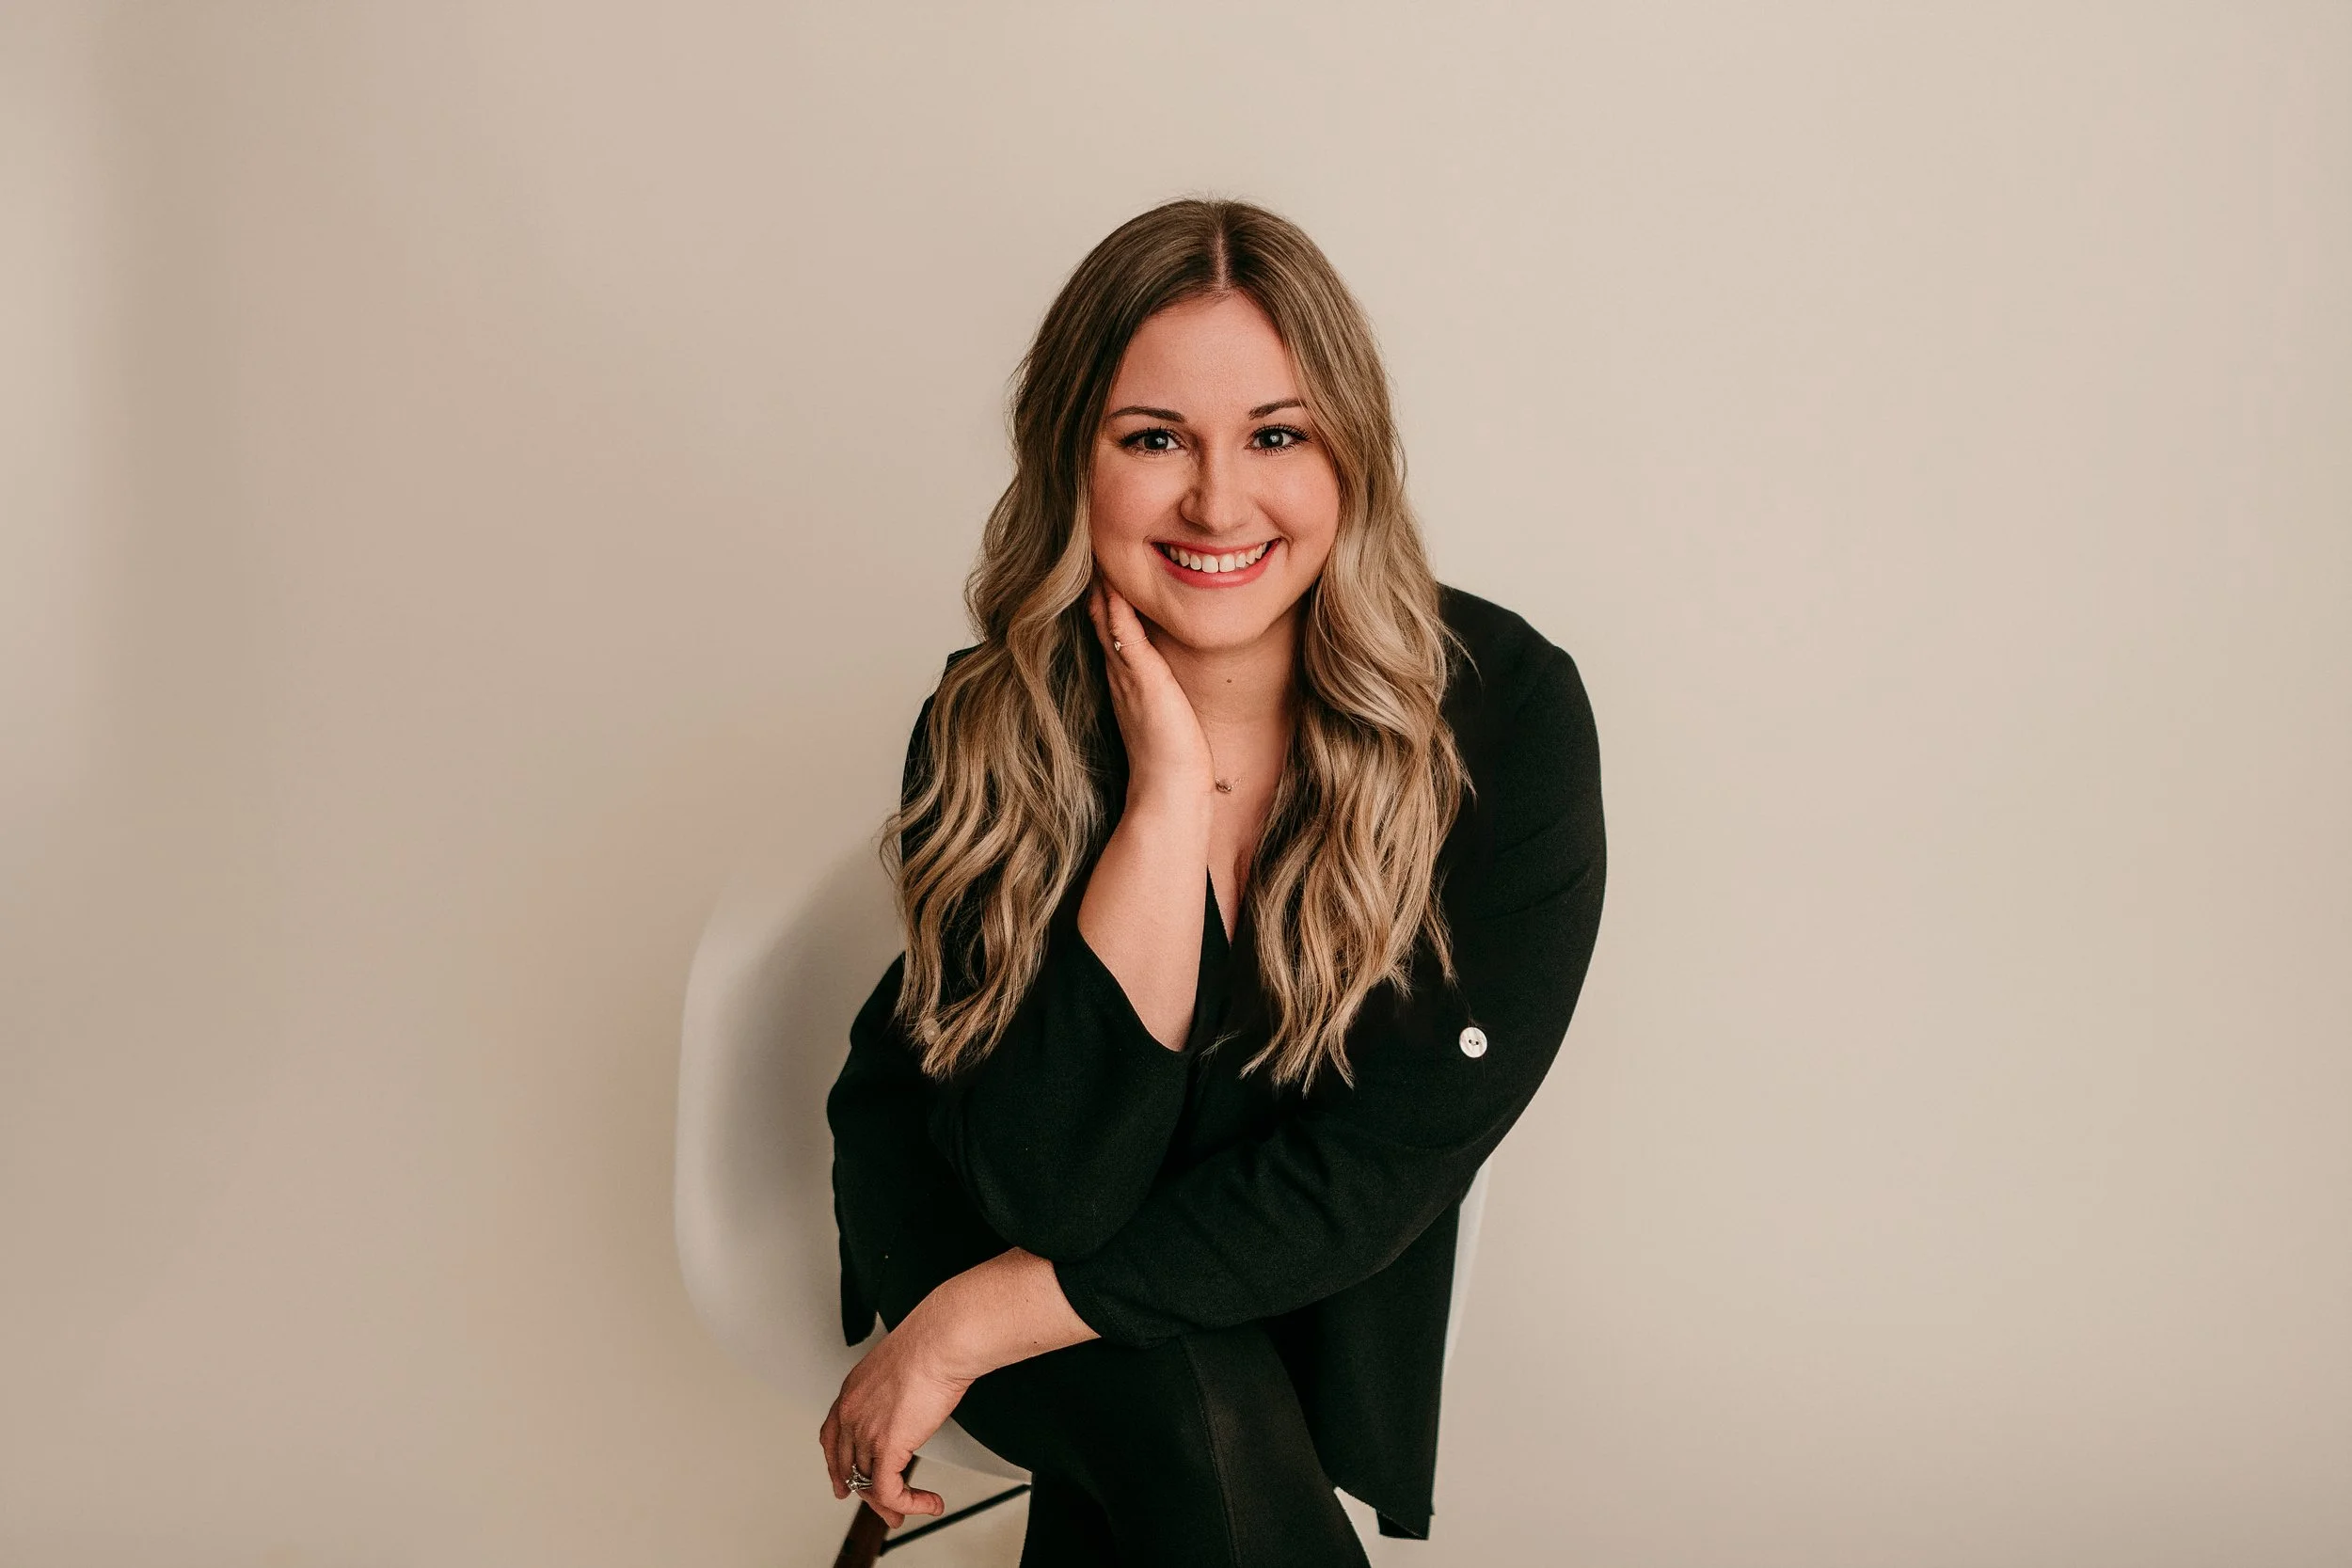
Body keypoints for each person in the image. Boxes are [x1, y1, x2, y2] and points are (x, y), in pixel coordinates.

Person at [819, 196, 1607, 1566]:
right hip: (973, 1204)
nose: (1219, 501)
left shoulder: (1507, 722)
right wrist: (1166, 804)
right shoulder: (991, 721)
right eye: (1154, 439)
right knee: (1194, 1405)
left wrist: (973, 1325)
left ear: (1349, 454)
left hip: (1201, 1276)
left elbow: (1382, 1164)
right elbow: (1047, 1198)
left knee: (1193, 1417)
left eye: (1277, 435)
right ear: (1074, 457)